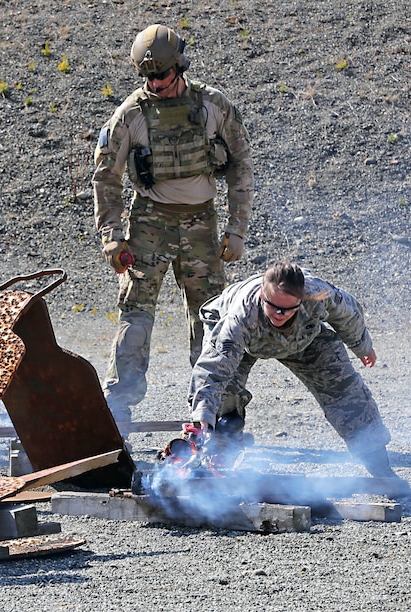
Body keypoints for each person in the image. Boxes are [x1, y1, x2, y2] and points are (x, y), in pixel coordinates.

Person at [92, 24, 255, 425]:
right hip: (150, 222)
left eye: (161, 75)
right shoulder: (130, 114)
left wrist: (237, 230)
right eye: (147, 76)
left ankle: (220, 408)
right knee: (135, 314)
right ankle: (118, 406)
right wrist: (112, 236)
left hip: (202, 224)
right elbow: (105, 177)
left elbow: (241, 167)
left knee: (213, 318)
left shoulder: (213, 105)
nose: (155, 83)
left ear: (180, 66)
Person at [188, 261, 411, 491]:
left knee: (344, 388)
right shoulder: (240, 317)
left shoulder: (320, 294)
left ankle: (380, 467)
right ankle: (218, 464)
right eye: (273, 306)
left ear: (301, 300)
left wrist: (363, 347)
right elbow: (213, 370)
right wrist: (203, 414)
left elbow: (349, 315)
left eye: (287, 309)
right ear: (264, 294)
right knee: (224, 398)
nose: (279, 314)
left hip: (303, 339)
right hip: (244, 343)